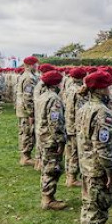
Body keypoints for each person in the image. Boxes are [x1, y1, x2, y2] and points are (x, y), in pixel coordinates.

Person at [76, 70, 112, 224]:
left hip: (86, 164)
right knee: (98, 208)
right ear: (102, 89)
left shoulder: (84, 107)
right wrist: (110, 171)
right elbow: (103, 147)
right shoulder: (102, 112)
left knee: (88, 205)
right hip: (98, 167)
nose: (110, 89)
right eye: (107, 86)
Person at [35, 69, 70, 210]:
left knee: (47, 167)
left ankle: (48, 197)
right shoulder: (54, 99)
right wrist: (60, 140)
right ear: (56, 84)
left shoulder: (43, 96)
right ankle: (48, 199)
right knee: (52, 168)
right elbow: (55, 122)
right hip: (51, 139)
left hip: (42, 136)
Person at [15, 56, 39, 166]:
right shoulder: (29, 78)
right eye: (35, 64)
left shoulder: (29, 76)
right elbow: (28, 97)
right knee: (27, 133)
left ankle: (26, 156)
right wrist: (31, 113)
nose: (37, 66)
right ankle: (25, 157)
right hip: (26, 111)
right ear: (30, 65)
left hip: (24, 109)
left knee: (26, 132)